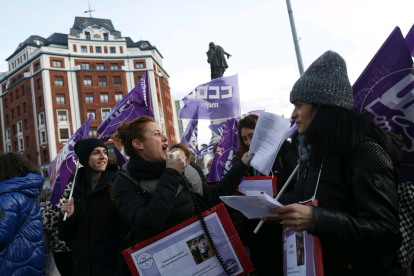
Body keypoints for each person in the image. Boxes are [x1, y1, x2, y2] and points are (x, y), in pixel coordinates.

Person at [265, 51, 404, 275]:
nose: (293, 114)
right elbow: (315, 201)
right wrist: (279, 210)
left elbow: (387, 232)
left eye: (299, 105)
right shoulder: (312, 154)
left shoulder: (365, 151)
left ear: (321, 107)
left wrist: (317, 219)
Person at [112, 116, 253, 275]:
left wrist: (242, 166)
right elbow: (149, 222)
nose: (165, 138)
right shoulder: (125, 181)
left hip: (200, 254)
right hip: (167, 262)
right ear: (138, 144)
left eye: (163, 133)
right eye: (157, 134)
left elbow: (212, 198)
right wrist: (171, 173)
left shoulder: (186, 169)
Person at [236, 114, 298, 275]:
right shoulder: (243, 162)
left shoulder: (285, 153)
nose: (248, 143)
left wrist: (271, 204)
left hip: (282, 231)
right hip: (256, 236)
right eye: (244, 139)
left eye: (251, 136)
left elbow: (298, 191)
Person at [58, 138, 127, 276]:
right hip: (82, 268)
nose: (103, 157)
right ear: (84, 157)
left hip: (111, 268)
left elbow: (124, 231)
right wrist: (66, 217)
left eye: (105, 152)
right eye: (96, 153)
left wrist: (120, 268)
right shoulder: (75, 190)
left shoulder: (116, 184)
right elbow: (66, 237)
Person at [0, 153, 45, 276]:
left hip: (10, 264)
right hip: (29, 262)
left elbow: (2, 234)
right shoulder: (28, 194)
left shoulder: (7, 197)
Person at [41, 180, 73, 276]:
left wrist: (42, 208)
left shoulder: (59, 191)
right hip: (79, 245)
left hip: (62, 247)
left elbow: (47, 223)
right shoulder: (80, 187)